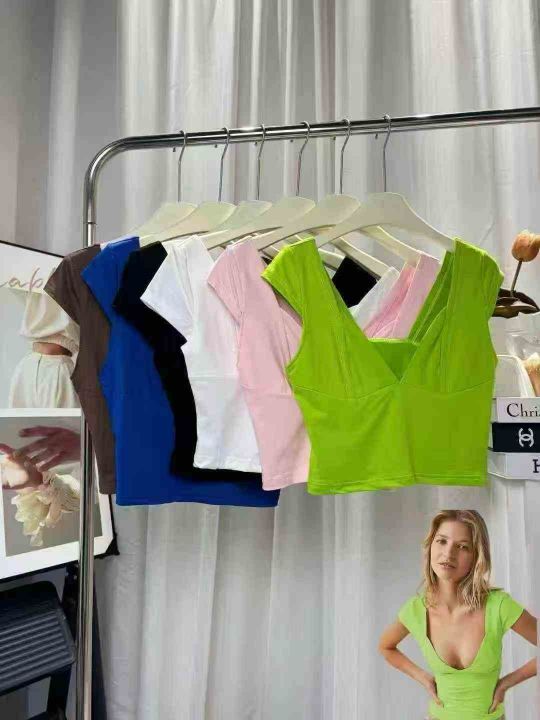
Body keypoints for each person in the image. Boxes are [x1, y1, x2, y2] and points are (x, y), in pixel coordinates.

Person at [378, 509, 537, 720]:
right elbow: (386, 647)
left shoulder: (498, 606)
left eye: (462, 546)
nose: (448, 554)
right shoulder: (415, 610)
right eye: (442, 541)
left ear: (477, 556)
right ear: (431, 545)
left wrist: (508, 682)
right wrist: (423, 677)